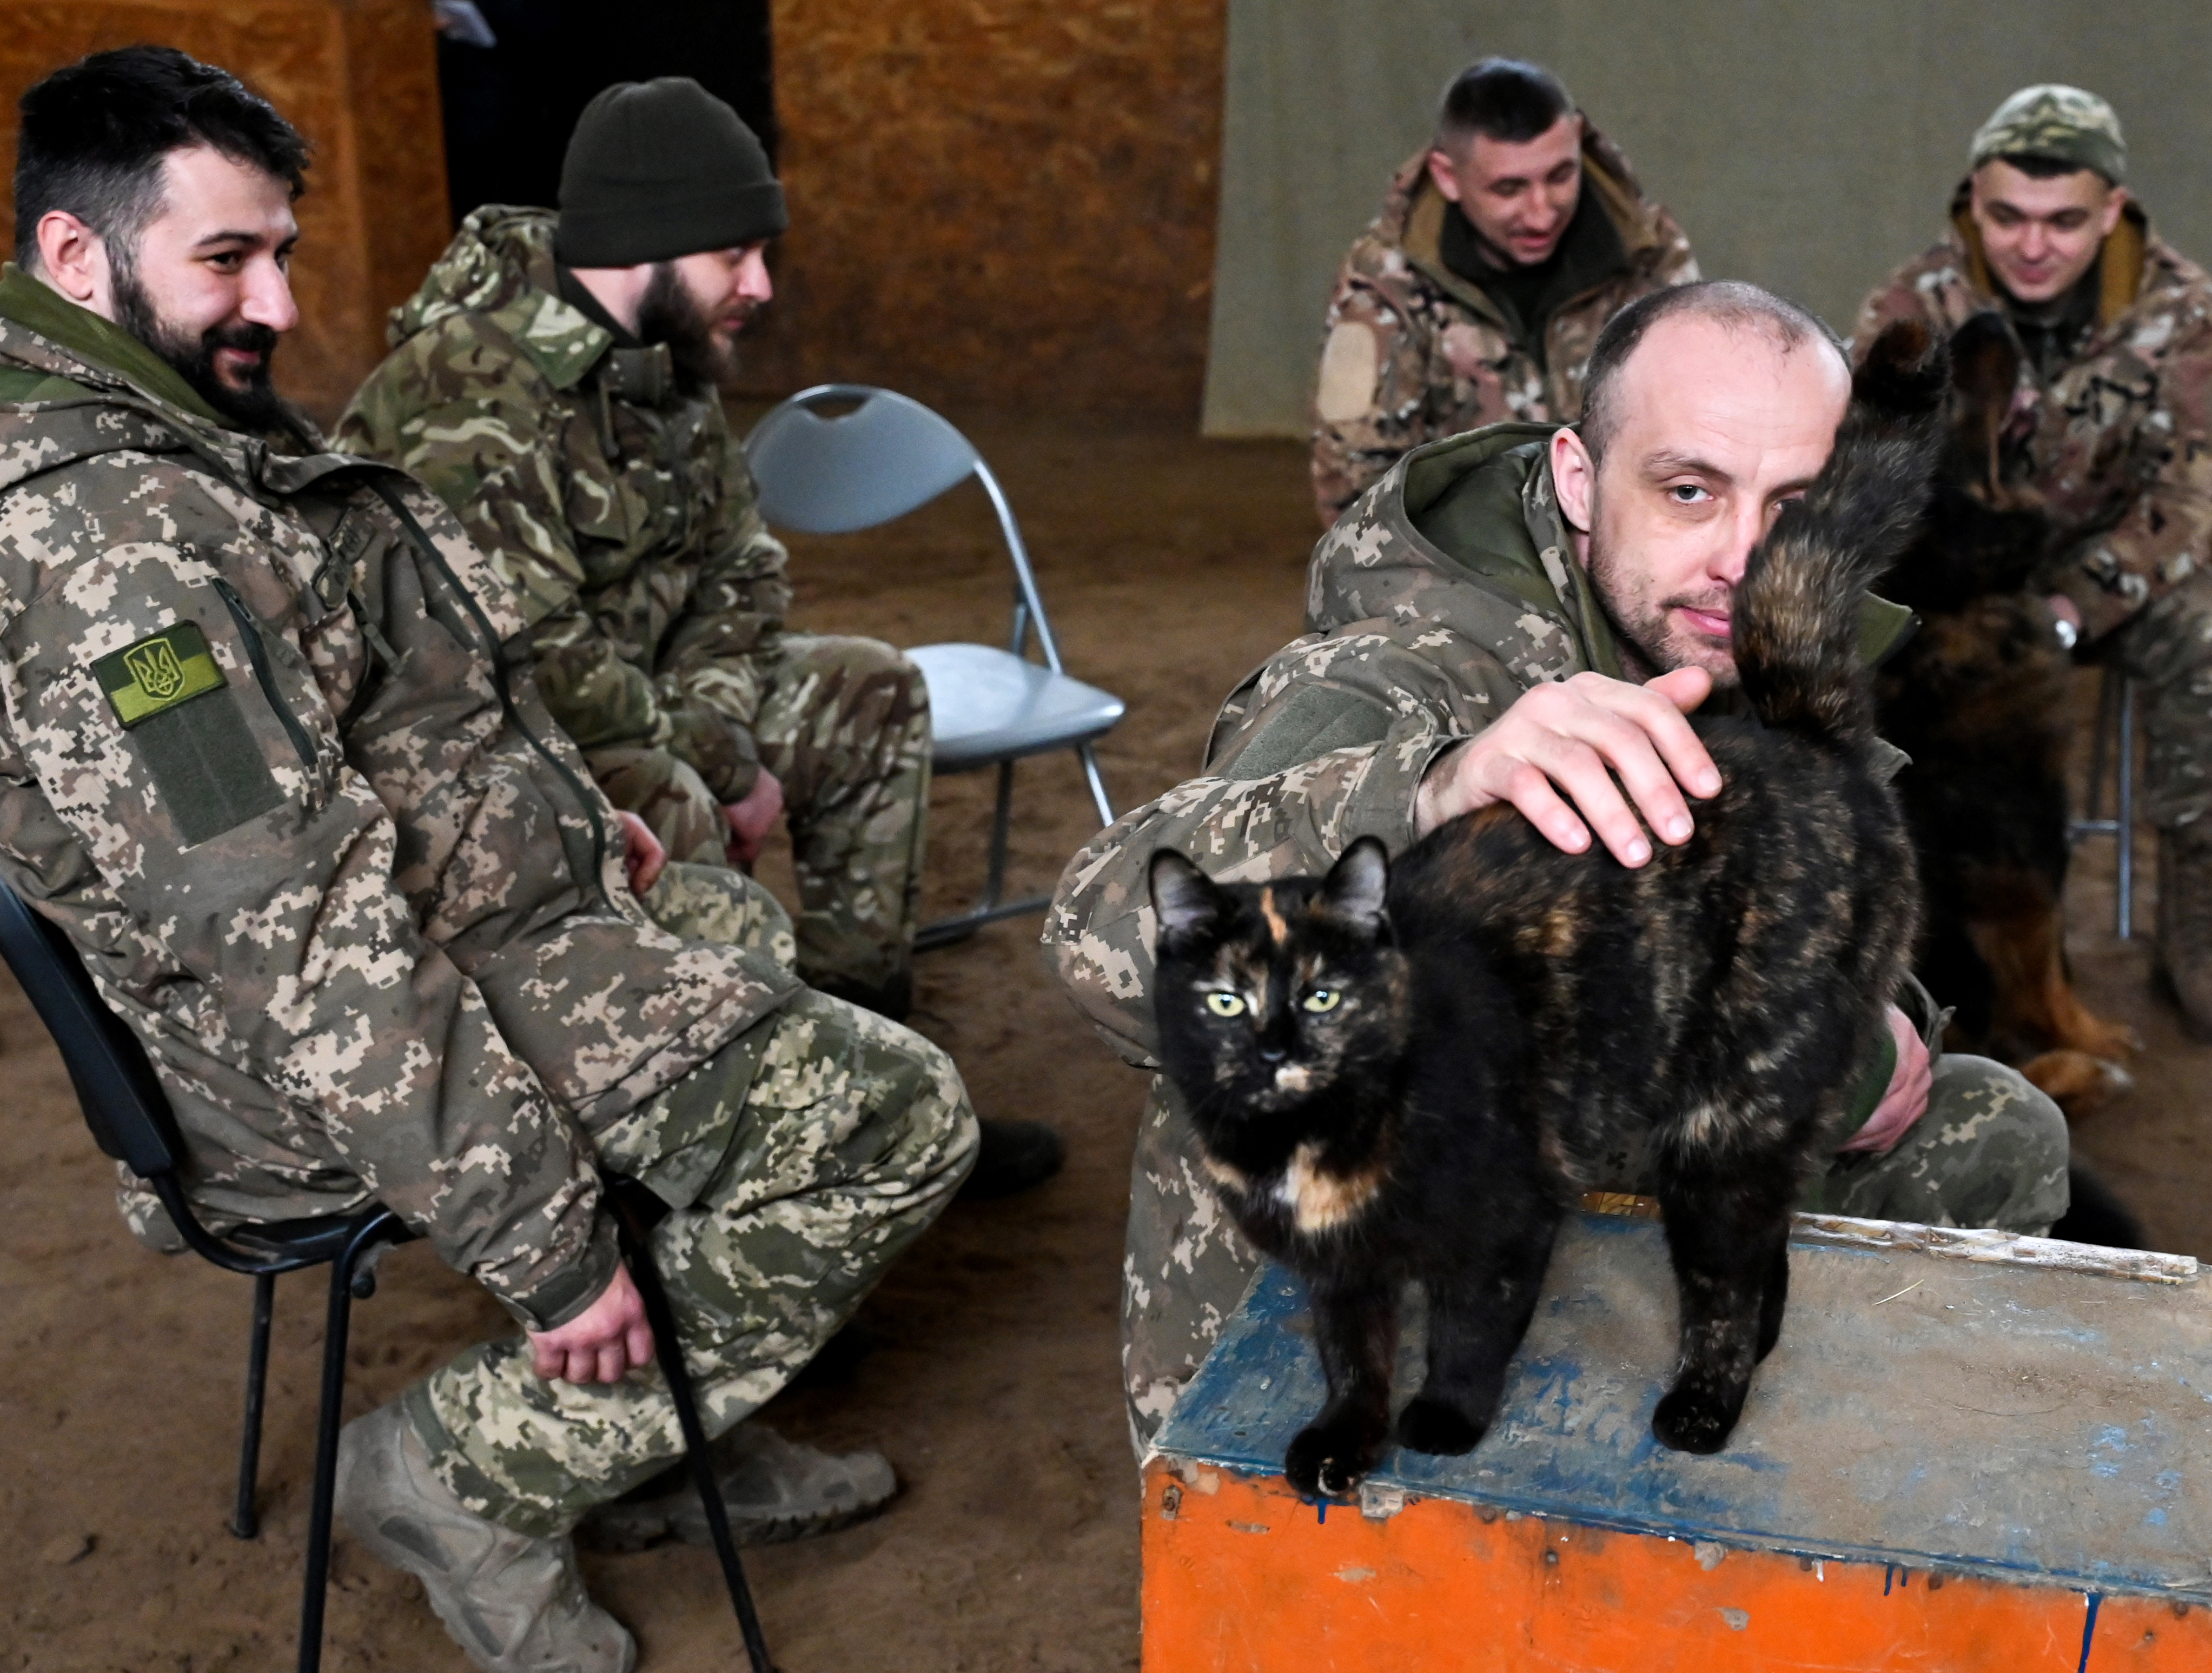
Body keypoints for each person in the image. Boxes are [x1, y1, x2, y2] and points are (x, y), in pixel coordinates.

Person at [0, 48, 974, 1671]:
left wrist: (573, 822)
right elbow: (289, 938)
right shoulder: (111, 547)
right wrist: (550, 1248)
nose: (280, 305)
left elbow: (376, 725)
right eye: (227, 258)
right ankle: (460, 1471)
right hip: (286, 1070)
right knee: (897, 1119)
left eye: (280, 252)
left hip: (439, 934)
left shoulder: (168, 430)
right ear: (74, 256)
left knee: (730, 924)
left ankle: (662, 1424)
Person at [1048, 280, 2074, 1449]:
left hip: (1602, 1161)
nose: (1743, 557)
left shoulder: (1747, 652)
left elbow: (1819, 940)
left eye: (1792, 506)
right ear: (1580, 482)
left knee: (1995, 1127)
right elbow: (1092, 944)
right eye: (1687, 490)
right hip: (1359, 1282)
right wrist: (1431, 785)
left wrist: (1867, 1021)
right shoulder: (1405, 670)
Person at [336, 75, 1063, 1189]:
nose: (759, 286)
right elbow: (539, 660)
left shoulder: (661, 355)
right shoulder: (469, 387)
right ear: (646, 244)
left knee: (870, 689)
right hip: (500, 744)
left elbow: (742, 568)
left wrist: (726, 735)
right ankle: (744, 1150)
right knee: (664, 794)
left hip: (666, 704)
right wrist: (719, 765)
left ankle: (875, 1081)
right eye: (735, 255)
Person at [1855, 85, 2212, 1044]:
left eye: (2062, 222)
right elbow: (1864, 463)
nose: (2031, 245)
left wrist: (2073, 607)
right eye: (2006, 217)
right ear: (1971, 200)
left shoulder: (2178, 308)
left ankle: (2194, 942)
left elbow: (2194, 494)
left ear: (2111, 210)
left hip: (2113, 563)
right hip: (1958, 582)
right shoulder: (1914, 303)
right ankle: (1897, 938)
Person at [1308, 56, 1699, 528]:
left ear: (1577, 140)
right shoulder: (1384, 285)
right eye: (1508, 189)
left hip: (1627, 540)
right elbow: (1354, 488)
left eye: (1560, 176)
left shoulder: (1648, 253)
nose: (1541, 213)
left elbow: (1699, 424)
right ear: (1448, 177)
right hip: (1462, 556)